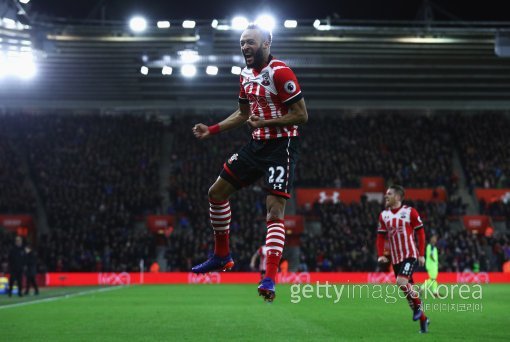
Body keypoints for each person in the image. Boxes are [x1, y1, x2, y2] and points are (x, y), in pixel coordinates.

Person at [190, 23, 308, 302]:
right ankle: (221, 255)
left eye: (251, 42)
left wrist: (267, 121)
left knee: (274, 212)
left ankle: (269, 277)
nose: (245, 47)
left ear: (266, 44)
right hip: (256, 145)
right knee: (216, 193)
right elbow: (243, 114)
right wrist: (213, 129)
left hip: (282, 146)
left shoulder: (281, 72)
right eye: (243, 42)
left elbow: (301, 115)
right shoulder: (244, 74)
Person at [376, 185, 430, 333]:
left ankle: (419, 307)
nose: (386, 196)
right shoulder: (384, 215)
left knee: (401, 282)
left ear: (398, 197)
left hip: (409, 255)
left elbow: (421, 233)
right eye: (386, 194)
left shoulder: (409, 212)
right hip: (396, 259)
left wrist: (421, 254)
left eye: (389, 194)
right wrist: (380, 254)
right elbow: (380, 236)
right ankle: (424, 320)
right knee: (408, 295)